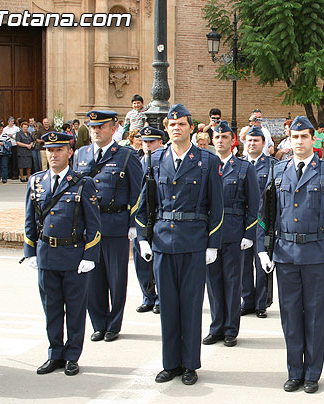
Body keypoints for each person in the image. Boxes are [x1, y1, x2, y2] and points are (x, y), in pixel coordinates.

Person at [256, 116, 324, 394]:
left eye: (304, 137)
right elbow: (266, 213)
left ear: (313, 140)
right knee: (291, 317)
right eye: (294, 137)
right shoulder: (279, 170)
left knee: (316, 317)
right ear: (289, 139)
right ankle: (294, 371)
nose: (299, 142)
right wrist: (263, 248)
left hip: (317, 254)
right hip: (285, 254)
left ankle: (312, 373)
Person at [135, 104, 223, 385]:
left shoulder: (206, 161)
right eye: (172, 125)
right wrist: (142, 238)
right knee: (168, 306)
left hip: (194, 240)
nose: (176, 129)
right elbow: (144, 204)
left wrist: (213, 243)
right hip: (162, 240)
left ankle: (189, 364)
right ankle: (170, 363)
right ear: (167, 128)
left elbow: (216, 207)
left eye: (182, 124)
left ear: (190, 127)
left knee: (191, 305)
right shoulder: (154, 159)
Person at [23, 131, 101, 376]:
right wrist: (31, 251)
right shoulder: (36, 181)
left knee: (75, 310)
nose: (53, 154)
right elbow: (30, 220)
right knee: (52, 308)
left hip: (74, 255)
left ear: (70, 152)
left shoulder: (82, 182)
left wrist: (90, 256)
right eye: (49, 150)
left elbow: (94, 224)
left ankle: (72, 356)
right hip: (47, 255)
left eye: (58, 150)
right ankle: (54, 354)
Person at [73, 110, 143, 343]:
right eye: (92, 127)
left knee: (116, 278)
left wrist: (134, 224)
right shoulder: (81, 154)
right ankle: (98, 323)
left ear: (113, 129)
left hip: (115, 224)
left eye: (100, 127)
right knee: (92, 277)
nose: (95, 131)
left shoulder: (125, 155)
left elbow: (137, 193)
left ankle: (114, 324)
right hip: (89, 227)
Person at [203, 120, 259, 347]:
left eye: (224, 137)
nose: (220, 141)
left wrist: (249, 233)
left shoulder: (244, 168)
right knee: (213, 282)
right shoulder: (206, 165)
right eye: (216, 137)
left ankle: (230, 329)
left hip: (234, 232)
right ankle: (216, 326)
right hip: (210, 234)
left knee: (232, 282)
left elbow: (254, 204)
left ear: (233, 141)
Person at [240, 126, 276, 318]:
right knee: (244, 265)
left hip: (263, 223)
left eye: (256, 141)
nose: (252, 144)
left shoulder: (272, 166)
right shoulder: (239, 164)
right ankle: (247, 301)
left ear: (264, 144)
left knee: (262, 264)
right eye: (249, 140)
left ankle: (261, 303)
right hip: (244, 223)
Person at [132, 126, 164, 315]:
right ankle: (148, 296)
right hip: (140, 218)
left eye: (151, 142)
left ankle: (161, 297)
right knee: (140, 260)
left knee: (158, 261)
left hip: (158, 217)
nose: (147, 145)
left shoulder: (164, 162)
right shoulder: (137, 163)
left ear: (161, 142)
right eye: (144, 142)